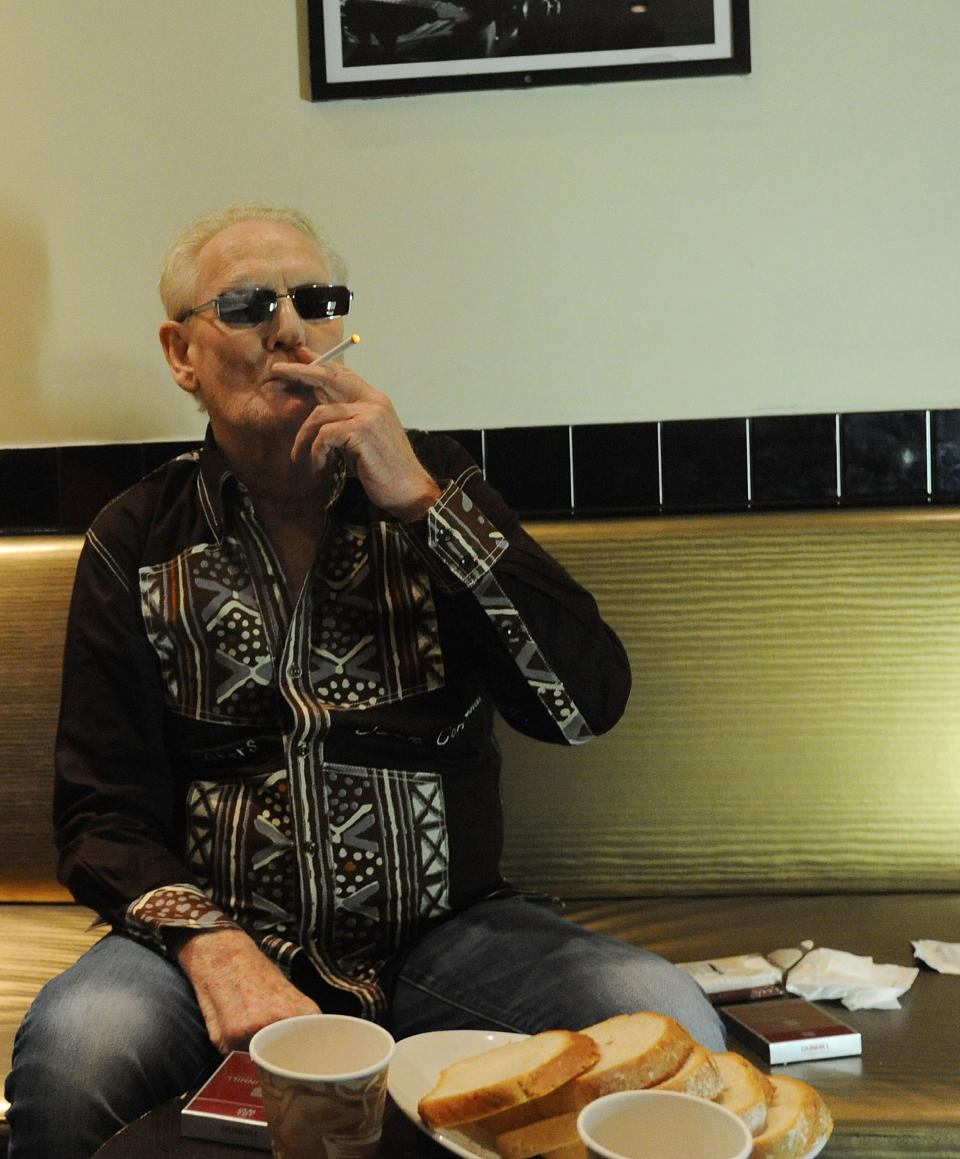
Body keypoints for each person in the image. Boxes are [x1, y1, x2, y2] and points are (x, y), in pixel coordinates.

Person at [5, 204, 724, 1159]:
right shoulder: (138, 538)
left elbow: (585, 705)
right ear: (183, 354)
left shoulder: (438, 482)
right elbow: (101, 813)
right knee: (75, 1058)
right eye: (251, 303)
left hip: (453, 932)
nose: (291, 328)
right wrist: (212, 947)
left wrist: (426, 505)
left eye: (318, 300)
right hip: (211, 939)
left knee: (667, 1019)